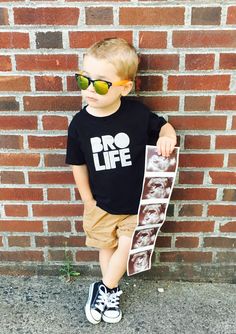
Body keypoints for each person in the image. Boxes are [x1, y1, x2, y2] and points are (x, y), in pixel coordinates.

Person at [65, 37, 177, 324]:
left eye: (101, 84)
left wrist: (167, 137)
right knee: (107, 248)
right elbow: (78, 165)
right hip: (101, 204)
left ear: (124, 87)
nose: (90, 89)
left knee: (126, 246)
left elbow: (164, 127)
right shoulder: (80, 124)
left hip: (134, 204)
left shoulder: (136, 114)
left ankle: (104, 288)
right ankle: (110, 290)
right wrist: (87, 200)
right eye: (84, 80)